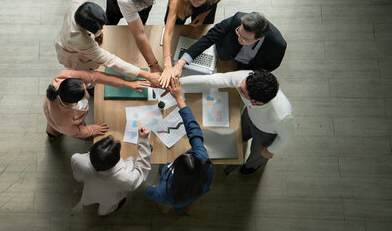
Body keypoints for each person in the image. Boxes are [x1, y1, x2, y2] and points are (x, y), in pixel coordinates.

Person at [180, 69, 293, 174]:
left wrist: (270, 150)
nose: (237, 87)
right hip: (249, 116)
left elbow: (286, 137)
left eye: (242, 91)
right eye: (242, 83)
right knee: (239, 136)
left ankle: (251, 167)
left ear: (256, 102)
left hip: (266, 133)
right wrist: (178, 82)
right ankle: (241, 141)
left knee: (258, 154)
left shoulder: (282, 117)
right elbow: (213, 80)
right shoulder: (247, 78)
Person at [55, 0, 159, 85]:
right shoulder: (79, 40)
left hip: (66, 35)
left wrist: (97, 33)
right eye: (100, 28)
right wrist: (147, 75)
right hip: (71, 53)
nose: (102, 29)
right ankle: (88, 85)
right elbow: (109, 60)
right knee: (84, 72)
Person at [146, 79, 213, 214]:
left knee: (165, 207)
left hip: (170, 199)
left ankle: (166, 211)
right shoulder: (203, 159)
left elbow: (150, 192)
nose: (188, 152)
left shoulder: (164, 189)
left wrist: (152, 188)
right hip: (196, 193)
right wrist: (180, 100)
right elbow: (194, 131)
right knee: (189, 203)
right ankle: (188, 211)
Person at [160, 0, 227, 88]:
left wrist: (204, 14)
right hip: (183, 4)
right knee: (176, 27)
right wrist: (167, 64)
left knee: (203, 30)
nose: (195, 3)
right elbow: (169, 31)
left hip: (206, 7)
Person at [172, 12, 286, 78]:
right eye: (238, 32)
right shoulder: (237, 19)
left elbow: (269, 67)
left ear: (259, 38)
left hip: (247, 69)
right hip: (225, 56)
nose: (239, 39)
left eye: (245, 39)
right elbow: (209, 38)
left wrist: (248, 74)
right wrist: (181, 63)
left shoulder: (277, 45)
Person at [44, 70, 149, 140]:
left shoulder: (65, 77)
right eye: (84, 94)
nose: (88, 95)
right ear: (74, 103)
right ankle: (52, 134)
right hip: (58, 121)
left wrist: (127, 83)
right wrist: (93, 129)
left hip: (51, 108)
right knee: (55, 126)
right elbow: (78, 132)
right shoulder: (64, 121)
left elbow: (94, 76)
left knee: (52, 122)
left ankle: (51, 132)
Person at [71, 127, 151, 216]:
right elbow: (142, 170)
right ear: (116, 160)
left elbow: (77, 176)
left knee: (91, 198)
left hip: (90, 191)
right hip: (110, 198)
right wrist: (143, 142)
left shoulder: (78, 159)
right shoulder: (126, 178)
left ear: (92, 149)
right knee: (106, 208)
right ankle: (102, 213)